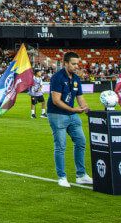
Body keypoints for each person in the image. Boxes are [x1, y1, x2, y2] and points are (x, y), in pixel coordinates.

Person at [48, 52, 91, 188]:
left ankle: (81, 175)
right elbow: (56, 100)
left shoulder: (76, 78)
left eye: (77, 64)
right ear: (65, 63)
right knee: (60, 146)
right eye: (73, 64)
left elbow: (80, 97)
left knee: (81, 141)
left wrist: (88, 110)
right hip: (57, 115)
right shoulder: (57, 77)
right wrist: (73, 110)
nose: (76, 66)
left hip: (72, 115)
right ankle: (62, 177)